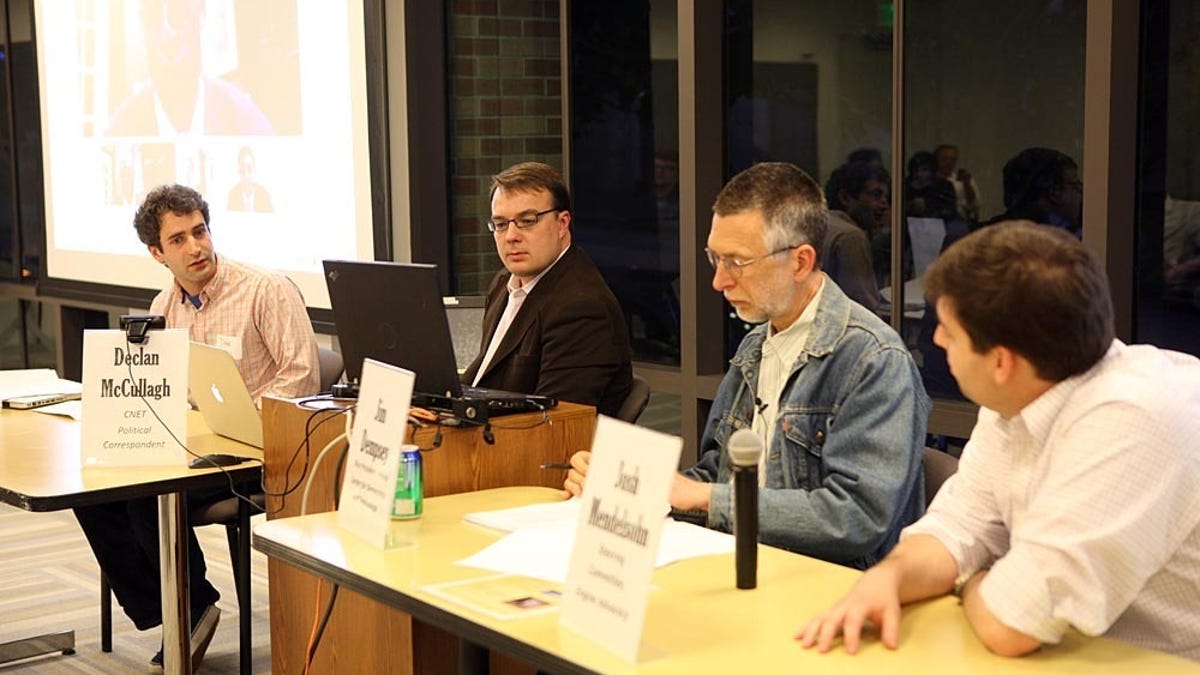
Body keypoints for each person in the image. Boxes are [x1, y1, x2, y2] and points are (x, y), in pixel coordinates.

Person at [799, 222, 1200, 661]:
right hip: (1076, 654)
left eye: (949, 330)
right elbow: (959, 527)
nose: (936, 338)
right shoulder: (1019, 394)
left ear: (1001, 361)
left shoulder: (1133, 421)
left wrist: (971, 579)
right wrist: (889, 577)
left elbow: (1014, 624)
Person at [565, 162, 930, 568]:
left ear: (800, 262)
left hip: (832, 593)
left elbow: (856, 518)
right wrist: (629, 486)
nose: (719, 281)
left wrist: (701, 497)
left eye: (737, 262)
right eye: (715, 259)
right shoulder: (756, 345)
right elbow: (715, 479)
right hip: (745, 566)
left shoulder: (873, 360)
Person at [73, 184, 319, 667]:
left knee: (151, 496)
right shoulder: (163, 306)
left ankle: (191, 607)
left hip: (264, 450)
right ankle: (180, 608)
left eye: (200, 232)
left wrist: (242, 417)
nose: (196, 247)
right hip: (199, 446)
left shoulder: (265, 289)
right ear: (156, 253)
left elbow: (302, 374)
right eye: (179, 240)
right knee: (97, 495)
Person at [461, 162, 633, 417]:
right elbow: (484, 377)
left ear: (562, 224)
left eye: (527, 221)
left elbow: (552, 423)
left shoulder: (582, 307)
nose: (511, 236)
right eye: (500, 224)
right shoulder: (503, 283)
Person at [105, 0, 273, 136]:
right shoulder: (117, 133)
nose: (168, 34)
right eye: (152, 14)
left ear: (202, 14)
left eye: (180, 11)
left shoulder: (249, 126)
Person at [822, 162, 884, 312]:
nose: (884, 204)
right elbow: (864, 305)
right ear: (845, 198)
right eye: (876, 195)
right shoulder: (851, 237)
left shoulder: (819, 223)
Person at [980, 147, 1082, 237]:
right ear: (1055, 192)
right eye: (1076, 185)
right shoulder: (1051, 247)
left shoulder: (984, 238)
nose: (1080, 193)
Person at [934, 144, 982, 222]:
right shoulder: (928, 180)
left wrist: (967, 185)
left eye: (952, 159)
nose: (948, 163)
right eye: (944, 159)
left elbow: (975, 206)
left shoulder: (962, 180)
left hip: (959, 223)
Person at [227, 146, 274, 212]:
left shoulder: (264, 195)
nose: (246, 174)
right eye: (243, 169)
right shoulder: (233, 196)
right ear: (239, 171)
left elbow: (272, 221)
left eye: (249, 168)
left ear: (254, 170)